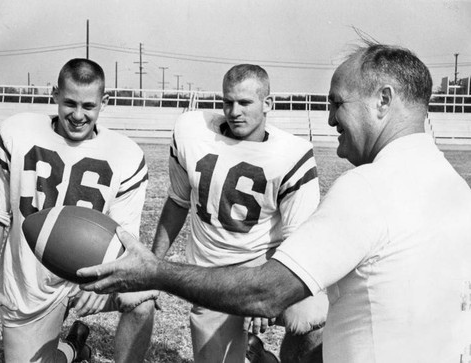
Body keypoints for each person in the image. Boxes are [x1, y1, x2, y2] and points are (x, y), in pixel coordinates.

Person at [78, 42, 471, 362]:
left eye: (337, 103)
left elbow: (267, 294)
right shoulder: (456, 188)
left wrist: (154, 271)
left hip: (259, 285)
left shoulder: (367, 187)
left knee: (309, 315)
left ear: (383, 100)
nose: (331, 119)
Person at [137, 63, 327, 363]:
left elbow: (298, 240)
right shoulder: (191, 131)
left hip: (263, 268)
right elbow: (177, 201)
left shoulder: (293, 154)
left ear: (268, 104)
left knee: (313, 318)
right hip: (210, 279)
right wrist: (152, 264)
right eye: (227, 102)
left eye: (244, 102)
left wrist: (269, 291)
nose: (234, 111)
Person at [0, 58, 157, 363]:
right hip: (31, 280)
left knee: (142, 301)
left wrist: (104, 283)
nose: (77, 115)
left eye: (88, 106)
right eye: (69, 103)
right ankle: (73, 348)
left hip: (92, 273)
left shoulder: (126, 155)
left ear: (104, 102)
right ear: (54, 94)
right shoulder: (15, 133)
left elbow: (126, 242)